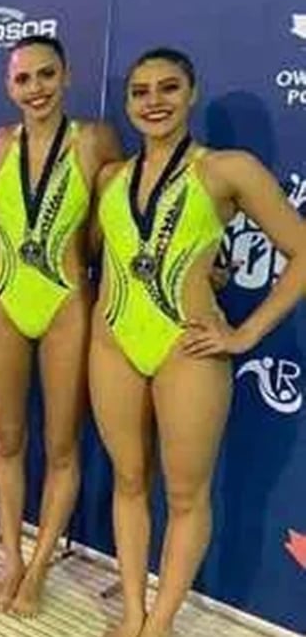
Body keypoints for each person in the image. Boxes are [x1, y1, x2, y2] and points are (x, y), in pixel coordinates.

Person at [91, 48, 306, 637]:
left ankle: (159, 624)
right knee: (129, 483)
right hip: (111, 345)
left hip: (187, 351)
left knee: (186, 495)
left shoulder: (225, 169)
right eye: (140, 91)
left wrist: (245, 334)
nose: (154, 101)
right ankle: (132, 612)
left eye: (168, 88)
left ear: (191, 93)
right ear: (128, 101)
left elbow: (302, 251)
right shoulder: (112, 176)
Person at [0, 35, 122, 615]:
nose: (34, 88)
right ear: (8, 86)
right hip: (1, 299)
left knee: (62, 445)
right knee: (7, 438)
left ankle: (40, 568)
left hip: (66, 301)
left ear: (67, 76)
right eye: (23, 79)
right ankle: (11, 558)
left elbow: (104, 234)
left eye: (45, 75)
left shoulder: (95, 141)